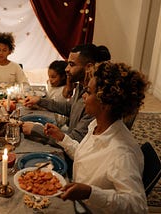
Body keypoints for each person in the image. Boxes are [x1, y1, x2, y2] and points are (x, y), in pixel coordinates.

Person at [44, 61, 149, 213]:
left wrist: (90, 193)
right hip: (79, 200)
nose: (84, 96)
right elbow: (87, 157)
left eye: (89, 92)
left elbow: (137, 206)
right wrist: (62, 138)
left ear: (105, 103)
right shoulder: (97, 126)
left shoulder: (121, 152)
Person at [23, 44, 111, 143]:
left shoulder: (95, 99)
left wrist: (36, 130)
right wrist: (40, 101)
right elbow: (69, 108)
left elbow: (76, 140)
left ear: (88, 67)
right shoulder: (81, 86)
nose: (66, 69)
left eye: (72, 64)